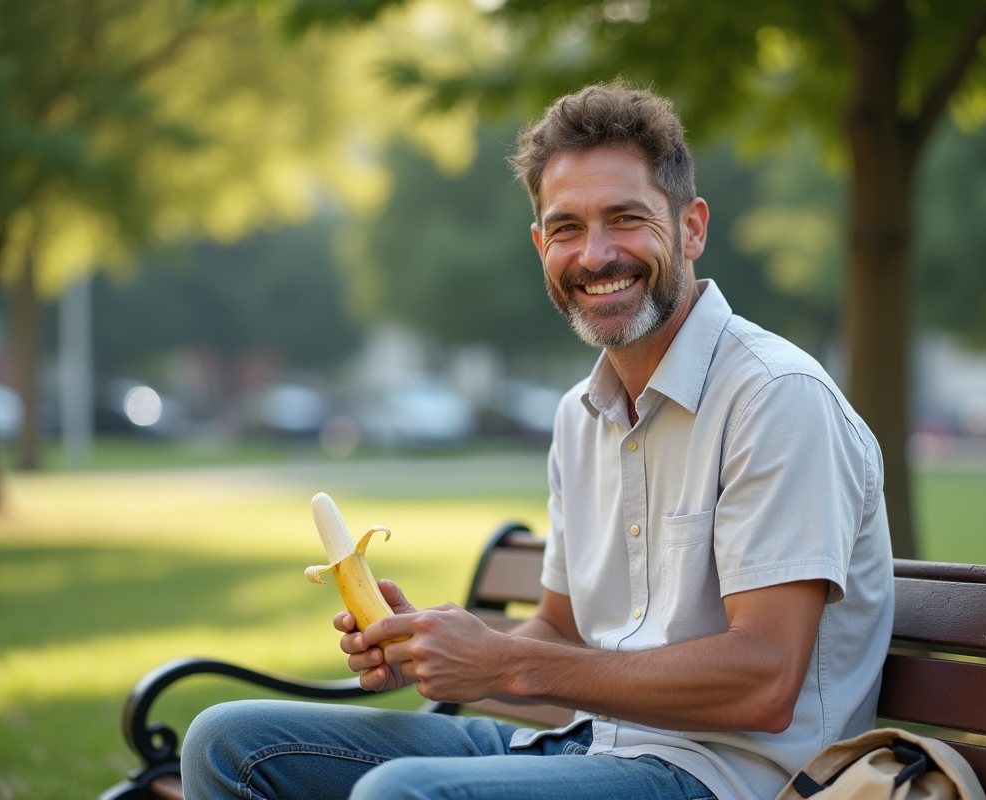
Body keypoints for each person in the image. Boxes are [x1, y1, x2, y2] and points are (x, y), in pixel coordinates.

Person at [181, 81, 894, 800]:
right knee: (229, 743)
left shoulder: (775, 398)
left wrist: (504, 667)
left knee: (399, 796)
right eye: (566, 228)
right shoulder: (579, 417)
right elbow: (558, 628)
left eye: (626, 218)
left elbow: (766, 681)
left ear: (692, 227)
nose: (596, 255)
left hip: (729, 778)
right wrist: (436, 647)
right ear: (539, 246)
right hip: (588, 745)